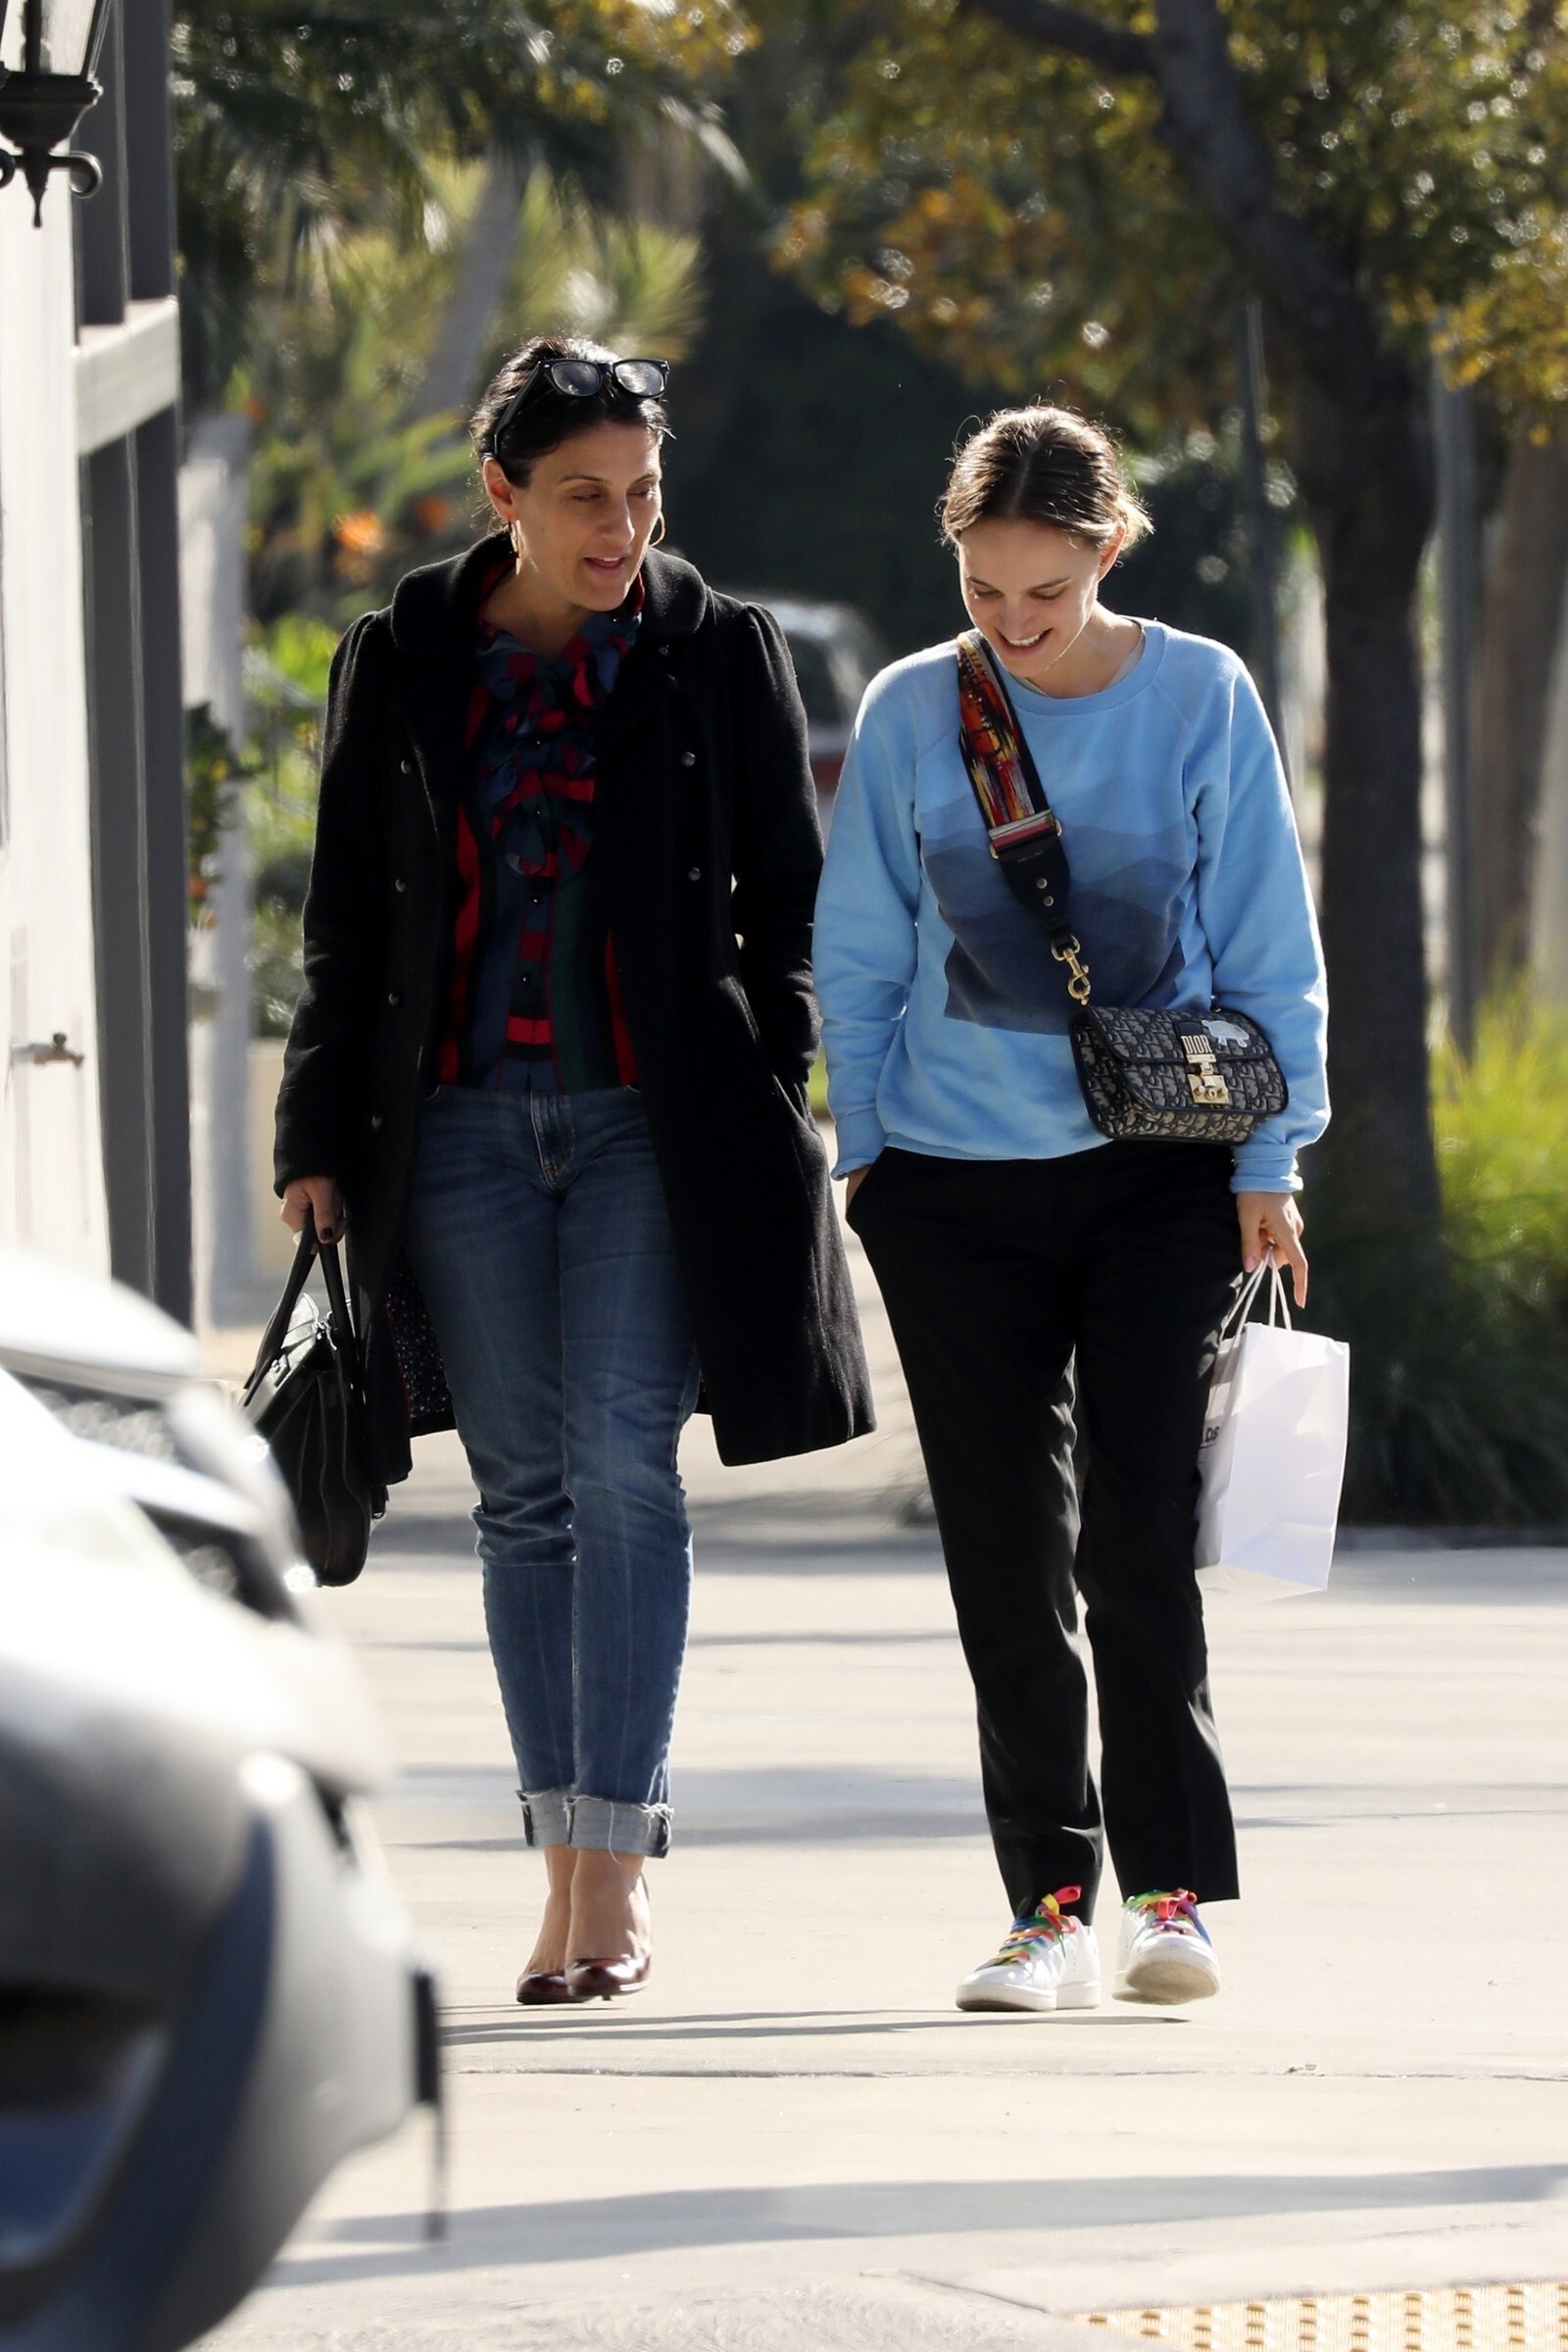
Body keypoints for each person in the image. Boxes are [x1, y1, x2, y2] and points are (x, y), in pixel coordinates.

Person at [274, 335, 872, 2006]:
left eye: (643, 492)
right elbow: (345, 921)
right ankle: (560, 1872)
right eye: (584, 497)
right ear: (504, 496)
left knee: (623, 1467)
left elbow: (789, 899)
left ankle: (615, 1875)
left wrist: (770, 1067)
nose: (622, 528)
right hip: (455, 1130)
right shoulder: (400, 658)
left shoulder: (717, 651)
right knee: (521, 1496)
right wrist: (315, 1135)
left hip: (644, 1128)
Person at [815, 403, 1327, 2012]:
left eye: (1045, 590)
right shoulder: (915, 709)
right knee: (1002, 1552)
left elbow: (1270, 943)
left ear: (1109, 551)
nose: (1015, 623)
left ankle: (1169, 1900)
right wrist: (867, 1151)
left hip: (1162, 1178)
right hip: (949, 1192)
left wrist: (1271, 1161)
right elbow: (859, 942)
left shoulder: (1201, 694)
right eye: (985, 590)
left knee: (1137, 1537)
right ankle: (1044, 1908)